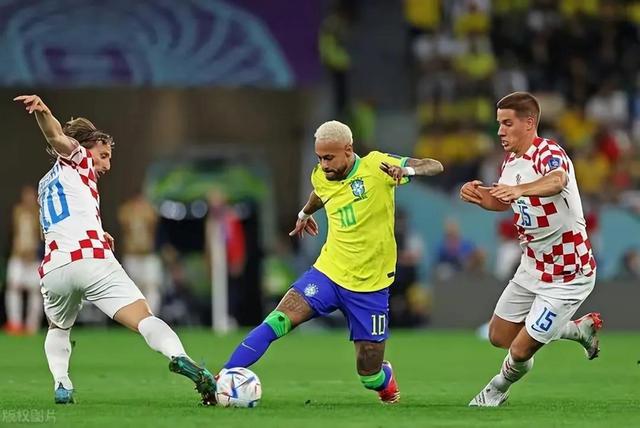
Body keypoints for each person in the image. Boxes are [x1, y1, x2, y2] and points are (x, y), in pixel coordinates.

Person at [220, 120, 443, 404]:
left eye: (329, 157)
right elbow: (320, 193)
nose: (323, 165)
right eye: (319, 158)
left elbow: (434, 165)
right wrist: (304, 214)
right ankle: (221, 379)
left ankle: (383, 378)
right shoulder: (321, 175)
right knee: (279, 319)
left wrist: (407, 171)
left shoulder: (377, 166)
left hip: (370, 286)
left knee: (369, 374)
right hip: (328, 273)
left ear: (348, 150)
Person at [13, 95, 216, 405]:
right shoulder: (79, 157)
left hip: (54, 269)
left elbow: (54, 227)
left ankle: (62, 384)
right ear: (87, 146)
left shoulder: (45, 185)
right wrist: (44, 111)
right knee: (144, 317)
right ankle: (179, 357)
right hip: (92, 262)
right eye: (104, 155)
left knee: (58, 327)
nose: (107, 165)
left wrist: (98, 232)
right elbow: (55, 136)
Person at [459, 92, 602, 407]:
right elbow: (505, 200)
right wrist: (481, 196)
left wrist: (520, 189)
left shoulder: (547, 152)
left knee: (521, 350)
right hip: (533, 266)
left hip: (568, 272)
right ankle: (578, 330)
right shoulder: (511, 161)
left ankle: (496, 390)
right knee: (499, 336)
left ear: (529, 123)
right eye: (499, 124)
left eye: (507, 123)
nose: (500, 131)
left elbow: (557, 180)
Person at [4, 185, 43, 335]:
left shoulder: (40, 213)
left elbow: (42, 236)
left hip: (34, 258)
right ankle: (15, 322)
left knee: (35, 290)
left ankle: (32, 325)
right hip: (18, 256)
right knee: (13, 288)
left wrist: (35, 251)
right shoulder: (17, 211)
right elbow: (13, 233)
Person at [118, 192, 163, 314]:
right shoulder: (126, 211)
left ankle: (152, 315)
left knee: (152, 286)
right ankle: (137, 316)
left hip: (148, 255)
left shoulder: (150, 211)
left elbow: (154, 227)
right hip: (132, 255)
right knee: (134, 288)